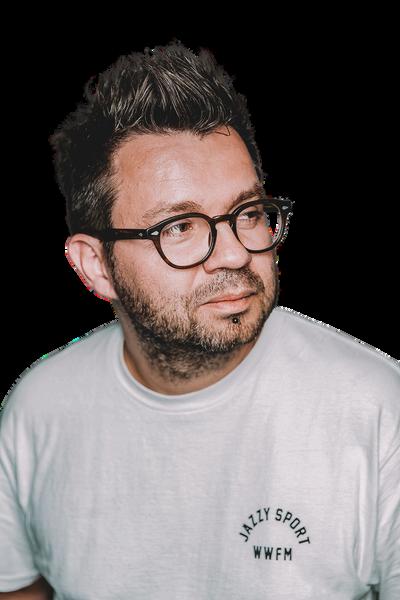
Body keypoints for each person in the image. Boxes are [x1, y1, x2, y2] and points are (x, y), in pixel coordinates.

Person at [0, 39, 398, 600]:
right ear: (96, 266)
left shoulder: (379, 411)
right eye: (179, 227)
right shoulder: (37, 409)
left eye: (248, 213)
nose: (234, 254)